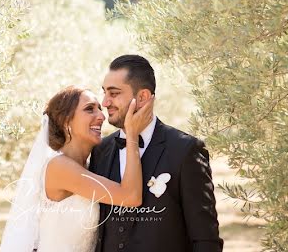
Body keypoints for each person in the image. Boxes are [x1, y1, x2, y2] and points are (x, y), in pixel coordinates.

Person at [90, 54, 223, 252]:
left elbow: (205, 239)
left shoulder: (185, 150)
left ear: (142, 97)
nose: (105, 102)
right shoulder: (101, 150)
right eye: (104, 93)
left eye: (114, 93)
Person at [0, 84, 154, 252]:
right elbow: (130, 196)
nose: (101, 116)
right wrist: (132, 134)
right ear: (66, 121)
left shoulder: (89, 166)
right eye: (89, 109)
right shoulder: (60, 167)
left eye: (99, 109)